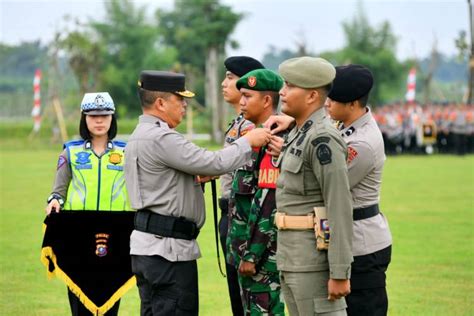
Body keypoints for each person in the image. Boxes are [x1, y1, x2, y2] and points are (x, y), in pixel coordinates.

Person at [124, 70, 272, 316]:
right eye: (179, 99)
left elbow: (166, 180)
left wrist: (194, 178)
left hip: (149, 248)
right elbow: (213, 162)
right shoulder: (162, 138)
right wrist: (248, 142)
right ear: (160, 103)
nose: (184, 105)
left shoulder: (139, 135)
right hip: (168, 251)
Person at [273, 57, 353, 315]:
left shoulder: (322, 138)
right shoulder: (300, 131)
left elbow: (339, 205)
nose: (282, 92)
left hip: (313, 263)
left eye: (289, 85)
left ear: (311, 96)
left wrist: (339, 271)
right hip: (292, 258)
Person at [45, 92, 129, 315]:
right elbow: (58, 191)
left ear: (112, 118)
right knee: (79, 302)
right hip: (78, 234)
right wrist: (54, 201)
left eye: (104, 115)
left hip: (115, 236)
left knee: (111, 299)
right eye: (93, 116)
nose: (99, 121)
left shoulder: (127, 152)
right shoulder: (70, 152)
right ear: (84, 118)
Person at [326, 65, 392, 316]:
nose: (327, 103)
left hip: (362, 245)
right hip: (351, 237)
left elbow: (328, 186)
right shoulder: (346, 127)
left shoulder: (361, 143)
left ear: (353, 103)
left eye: (334, 99)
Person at [229, 69, 286, 315]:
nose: (241, 102)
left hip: (263, 258)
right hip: (247, 253)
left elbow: (268, 203)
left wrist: (252, 255)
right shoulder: (253, 136)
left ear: (266, 101)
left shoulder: (273, 138)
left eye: (247, 96)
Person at [220, 56, 265, 316]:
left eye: (230, 77)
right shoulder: (239, 123)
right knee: (238, 296)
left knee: (249, 300)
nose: (224, 84)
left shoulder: (252, 126)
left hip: (245, 218)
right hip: (232, 212)